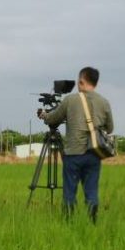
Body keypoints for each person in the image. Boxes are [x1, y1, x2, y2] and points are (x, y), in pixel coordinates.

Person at [38, 66, 113, 222]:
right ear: (95, 83)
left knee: (69, 191)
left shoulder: (70, 100)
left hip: (73, 153)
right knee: (91, 191)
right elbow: (110, 128)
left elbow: (53, 118)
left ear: (81, 81)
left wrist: (44, 115)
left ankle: (68, 222)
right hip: (94, 153)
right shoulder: (104, 102)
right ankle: (92, 221)